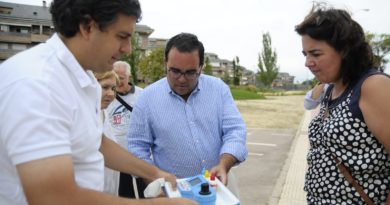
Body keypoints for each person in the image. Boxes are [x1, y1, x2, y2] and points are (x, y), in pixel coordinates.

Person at [0, 0, 196, 204]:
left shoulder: (83, 80)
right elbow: (52, 197)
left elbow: (96, 142)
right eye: (122, 37)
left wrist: (154, 172)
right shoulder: (37, 83)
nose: (128, 49)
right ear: (87, 27)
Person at [126, 32, 248, 196]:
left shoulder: (218, 89)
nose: (182, 79)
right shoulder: (147, 99)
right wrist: (156, 183)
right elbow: (137, 147)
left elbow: (235, 130)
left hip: (219, 184)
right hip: (173, 192)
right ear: (165, 64)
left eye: (190, 72)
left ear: (201, 67)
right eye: (175, 71)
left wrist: (224, 164)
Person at [295, 3, 390, 204]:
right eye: (305, 54)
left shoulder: (373, 86)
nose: (308, 62)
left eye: (316, 54)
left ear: (345, 50)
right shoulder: (331, 89)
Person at [105, 61, 145, 198]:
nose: (118, 81)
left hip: (139, 156)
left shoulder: (142, 94)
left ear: (129, 77)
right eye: (115, 76)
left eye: (121, 78)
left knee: (142, 193)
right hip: (116, 157)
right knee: (122, 194)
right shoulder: (107, 96)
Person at [94, 71, 120, 195]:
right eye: (105, 87)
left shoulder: (104, 113)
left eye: (113, 88)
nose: (111, 94)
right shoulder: (82, 117)